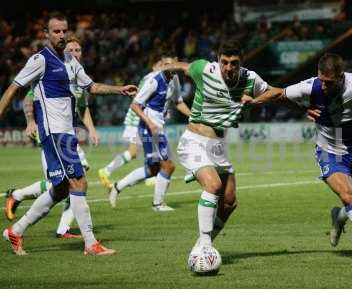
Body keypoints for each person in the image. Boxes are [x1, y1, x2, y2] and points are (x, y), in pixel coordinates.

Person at [0, 12, 136, 256]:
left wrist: (119, 89)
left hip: (67, 132)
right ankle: (91, 243)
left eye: (64, 31)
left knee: (62, 187)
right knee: (79, 181)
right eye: (56, 31)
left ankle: (16, 231)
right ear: (47, 34)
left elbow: (91, 87)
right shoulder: (40, 60)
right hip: (54, 132)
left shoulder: (71, 61)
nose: (61, 35)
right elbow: (14, 88)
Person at [243, 53, 352, 262]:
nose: (324, 86)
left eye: (329, 82)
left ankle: (339, 216)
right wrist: (255, 101)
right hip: (329, 149)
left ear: (340, 76)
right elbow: (280, 93)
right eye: (321, 80)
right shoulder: (312, 85)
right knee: (348, 197)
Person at [159, 40, 282, 256]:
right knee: (213, 186)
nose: (228, 68)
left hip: (218, 148)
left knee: (229, 202)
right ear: (218, 60)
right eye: (224, 62)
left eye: (234, 63)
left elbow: (276, 92)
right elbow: (184, 66)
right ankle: (205, 246)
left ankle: (201, 245)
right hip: (194, 142)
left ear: (240, 62)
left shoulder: (249, 79)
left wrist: (256, 101)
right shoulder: (205, 69)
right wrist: (164, 70)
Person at [3, 36, 99, 239]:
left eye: (78, 50)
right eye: (71, 50)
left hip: (67, 134)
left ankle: (24, 228)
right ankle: (19, 196)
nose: (74, 54)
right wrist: (30, 121)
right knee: (72, 181)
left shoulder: (76, 78)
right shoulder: (48, 71)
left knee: (66, 184)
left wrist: (90, 129)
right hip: (52, 133)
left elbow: (83, 109)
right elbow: (29, 98)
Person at [108, 55, 191, 211]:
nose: (169, 67)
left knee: (153, 169)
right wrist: (150, 122)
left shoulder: (174, 80)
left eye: (172, 65)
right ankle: (158, 204)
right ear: (161, 66)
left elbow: (178, 102)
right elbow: (135, 105)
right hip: (149, 127)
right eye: (166, 64)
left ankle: (117, 187)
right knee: (168, 166)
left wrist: (192, 116)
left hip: (157, 126)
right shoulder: (153, 81)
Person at [97, 61, 165, 189]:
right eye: (161, 63)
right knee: (134, 151)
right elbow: (143, 99)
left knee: (140, 150)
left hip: (141, 116)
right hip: (137, 117)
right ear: (154, 66)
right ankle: (107, 170)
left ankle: (150, 176)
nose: (164, 66)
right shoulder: (152, 77)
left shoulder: (156, 77)